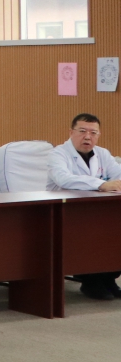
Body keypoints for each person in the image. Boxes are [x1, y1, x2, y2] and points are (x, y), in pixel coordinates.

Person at [49, 113, 121, 299]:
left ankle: (108, 278)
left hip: (98, 211)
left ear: (99, 135)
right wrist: (101, 184)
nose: (88, 137)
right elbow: (63, 179)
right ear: (71, 132)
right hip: (65, 213)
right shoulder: (58, 154)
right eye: (82, 131)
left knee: (115, 229)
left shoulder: (102, 154)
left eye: (93, 133)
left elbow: (118, 174)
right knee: (94, 232)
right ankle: (91, 281)